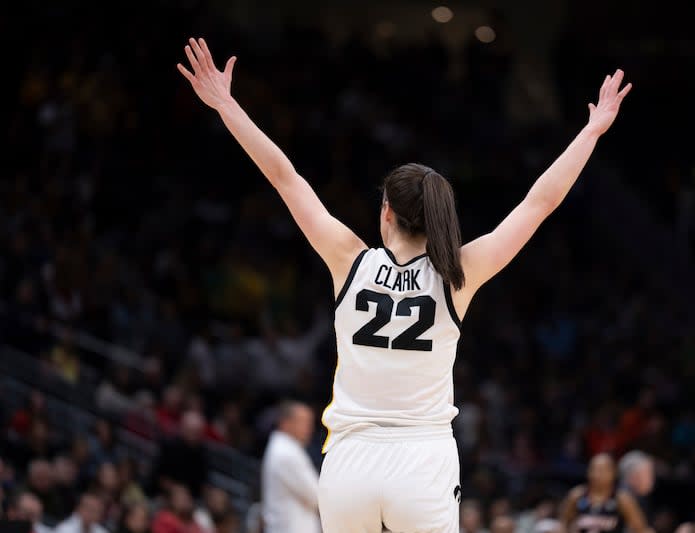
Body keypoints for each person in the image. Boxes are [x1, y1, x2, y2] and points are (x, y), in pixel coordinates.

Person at [178, 36, 632, 533]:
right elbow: (538, 203)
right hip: (421, 460)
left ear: (386, 212)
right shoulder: (457, 274)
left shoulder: (348, 259)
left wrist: (226, 104)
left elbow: (285, 177)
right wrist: (590, 132)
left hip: (350, 461)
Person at [261, 401, 320, 533]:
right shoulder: (286, 452)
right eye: (303, 422)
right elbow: (317, 496)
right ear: (285, 423)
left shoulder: (285, 447)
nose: (309, 428)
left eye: (310, 423)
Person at [560, 454, 649, 533]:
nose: (597, 474)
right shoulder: (576, 495)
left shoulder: (622, 499)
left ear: (613, 473)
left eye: (602, 470)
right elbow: (562, 524)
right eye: (593, 469)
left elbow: (641, 529)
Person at [618, 451, 655, 519]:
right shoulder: (622, 499)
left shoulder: (640, 497)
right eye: (648, 474)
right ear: (632, 477)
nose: (652, 479)